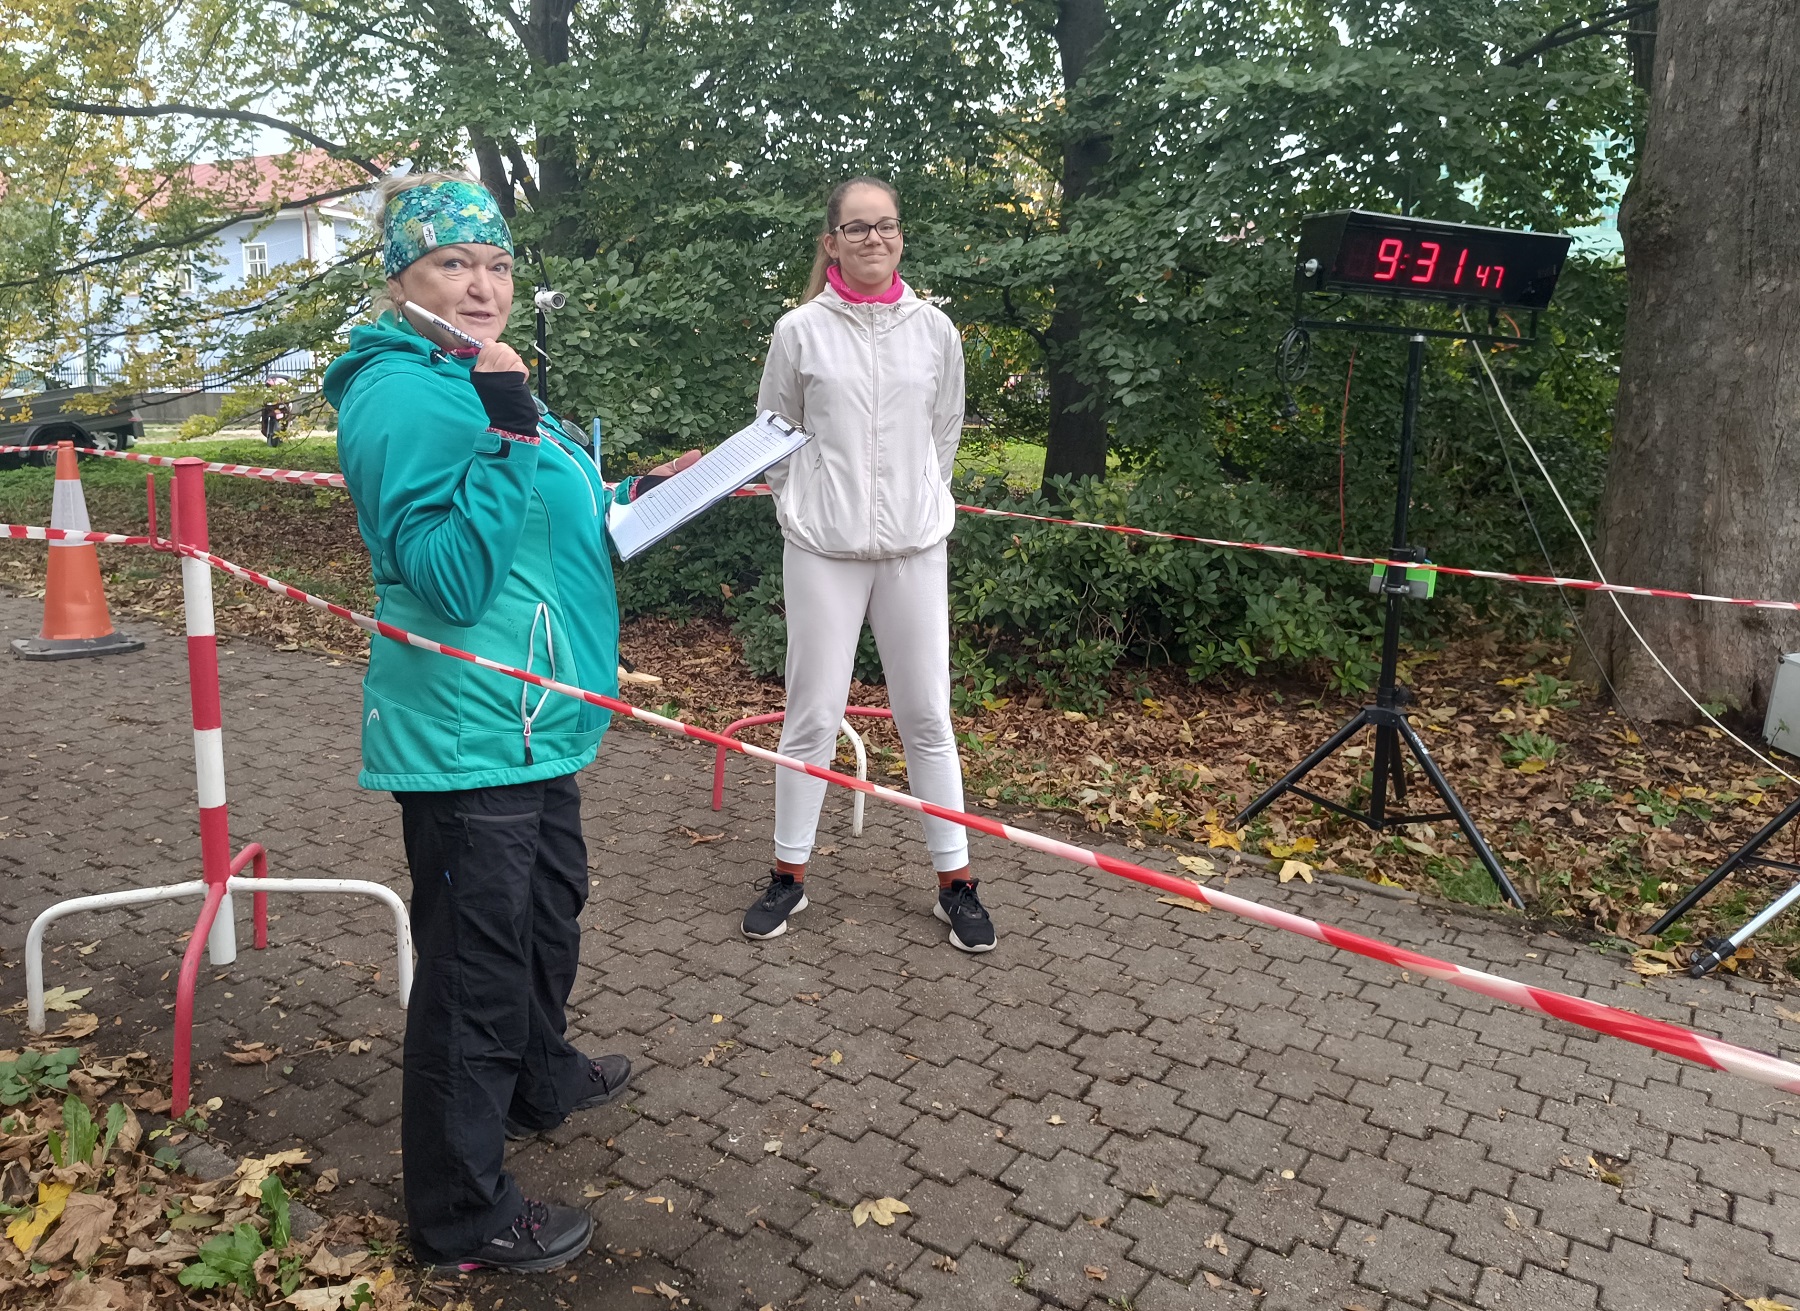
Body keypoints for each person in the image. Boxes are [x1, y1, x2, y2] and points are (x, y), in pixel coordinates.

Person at [323, 172, 639, 1274]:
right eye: (453, 263)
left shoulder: (473, 375)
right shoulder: (399, 395)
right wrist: (508, 431)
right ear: (401, 277)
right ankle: (460, 1210)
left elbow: (541, 524)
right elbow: (451, 576)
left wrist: (637, 496)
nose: (482, 285)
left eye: (497, 264)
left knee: (549, 912)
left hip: (536, 711)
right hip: (470, 725)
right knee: (475, 969)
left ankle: (538, 1077)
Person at [744, 176, 994, 953]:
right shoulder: (799, 330)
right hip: (823, 550)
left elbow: (944, 430)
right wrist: (804, 506)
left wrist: (922, 500)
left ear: (900, 236)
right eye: (857, 227)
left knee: (928, 717)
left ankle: (956, 883)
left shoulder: (936, 330)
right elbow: (775, 433)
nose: (873, 238)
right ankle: (788, 875)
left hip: (916, 549)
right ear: (832, 243)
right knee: (811, 716)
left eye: (885, 225)